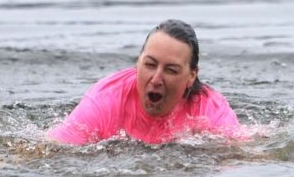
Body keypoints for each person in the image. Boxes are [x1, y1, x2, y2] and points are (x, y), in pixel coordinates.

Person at [47, 19, 240, 145]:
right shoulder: (107, 98)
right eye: (149, 64)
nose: (156, 79)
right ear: (138, 61)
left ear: (191, 75)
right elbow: (52, 149)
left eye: (171, 70)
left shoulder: (208, 109)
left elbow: (244, 155)